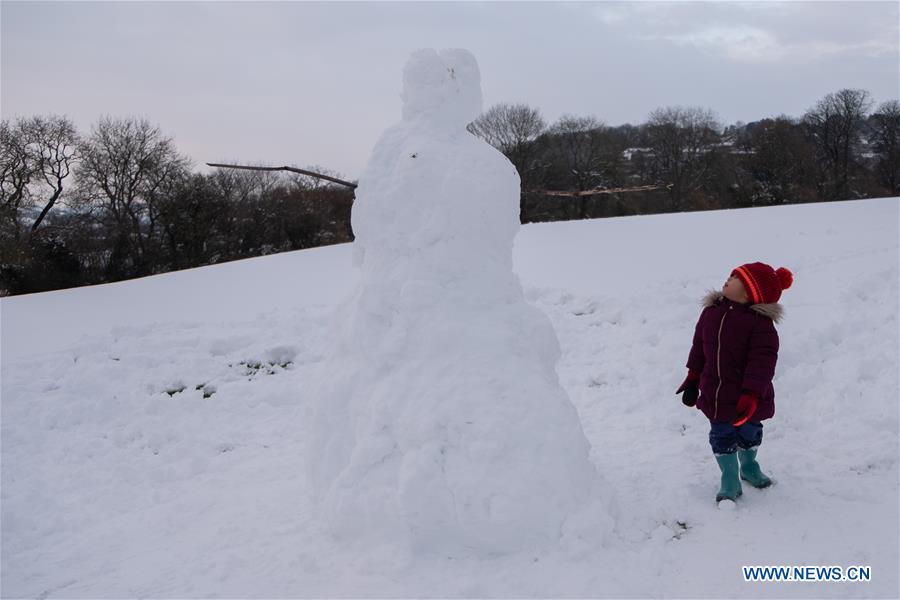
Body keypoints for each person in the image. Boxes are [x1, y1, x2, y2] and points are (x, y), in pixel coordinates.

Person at [676, 262, 793, 504]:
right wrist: (693, 376)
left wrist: (752, 394)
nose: (728, 279)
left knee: (750, 432)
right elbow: (699, 347)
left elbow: (763, 362)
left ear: (750, 292)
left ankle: (748, 466)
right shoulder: (710, 313)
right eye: (731, 274)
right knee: (721, 435)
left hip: (748, 395)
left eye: (736, 277)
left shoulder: (760, 324)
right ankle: (729, 478)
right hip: (716, 393)